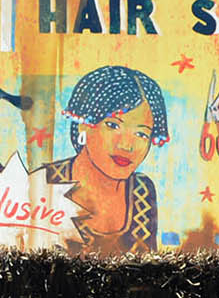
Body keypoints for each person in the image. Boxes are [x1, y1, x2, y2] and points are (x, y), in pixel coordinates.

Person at [38, 65, 169, 254]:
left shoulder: (141, 191)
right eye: (113, 125)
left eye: (141, 134)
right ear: (84, 124)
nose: (127, 145)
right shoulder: (45, 181)